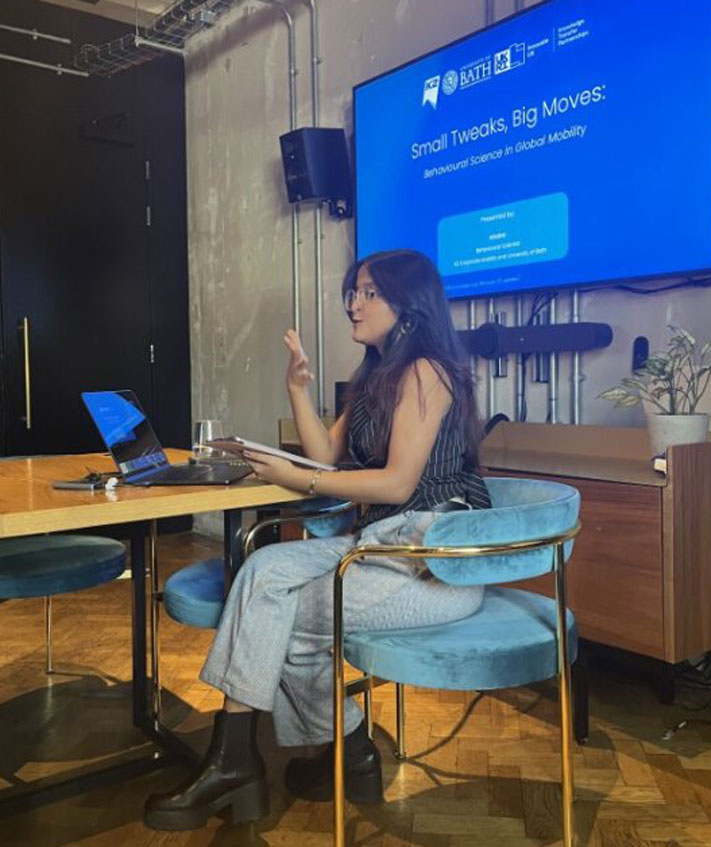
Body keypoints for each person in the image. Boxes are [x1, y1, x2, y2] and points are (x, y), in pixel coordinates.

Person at [144, 249, 491, 831]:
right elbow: (327, 455)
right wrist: (297, 389)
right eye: (353, 291)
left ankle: (260, 760)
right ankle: (335, 756)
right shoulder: (375, 378)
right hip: (381, 542)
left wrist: (297, 479)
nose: (353, 303)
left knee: (273, 612)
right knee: (262, 570)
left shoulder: (427, 371)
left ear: (409, 307)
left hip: (431, 560)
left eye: (369, 293)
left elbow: (397, 482)